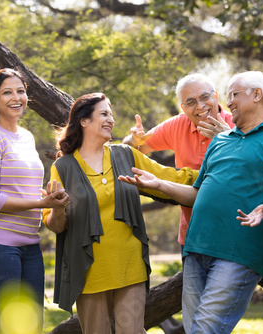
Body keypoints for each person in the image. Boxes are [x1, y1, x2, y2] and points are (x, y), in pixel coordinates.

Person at [119, 71, 263, 333]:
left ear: (257, 95)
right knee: (194, 326)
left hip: (237, 250)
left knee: (205, 328)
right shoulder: (220, 140)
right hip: (196, 245)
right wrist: (159, 184)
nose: (228, 103)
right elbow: (198, 193)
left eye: (233, 95)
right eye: (228, 96)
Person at [42, 92, 197, 334]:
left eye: (111, 114)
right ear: (84, 121)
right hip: (89, 268)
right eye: (104, 113)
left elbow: (170, 178)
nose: (110, 119)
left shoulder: (126, 154)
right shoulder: (63, 167)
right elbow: (56, 226)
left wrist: (215, 172)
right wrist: (58, 208)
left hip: (129, 263)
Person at [0, 68, 70, 333]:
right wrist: (41, 204)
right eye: (7, 92)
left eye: (21, 91)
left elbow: (23, 188)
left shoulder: (26, 137)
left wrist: (50, 198)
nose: (16, 97)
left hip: (28, 242)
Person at [123, 73, 234, 250]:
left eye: (205, 97)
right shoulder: (177, 125)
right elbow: (132, 150)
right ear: (183, 108)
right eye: (191, 102)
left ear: (216, 96)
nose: (200, 106)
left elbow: (252, 172)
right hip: (193, 234)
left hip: (234, 232)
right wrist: (132, 140)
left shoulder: (237, 125)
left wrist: (225, 140)